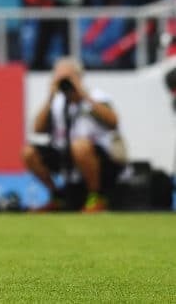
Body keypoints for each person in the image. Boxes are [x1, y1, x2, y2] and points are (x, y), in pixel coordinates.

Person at [24, 57, 124, 212]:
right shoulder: (56, 102)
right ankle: (57, 196)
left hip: (98, 156)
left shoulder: (96, 97)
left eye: (68, 78)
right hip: (64, 153)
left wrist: (83, 95)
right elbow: (37, 129)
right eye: (59, 78)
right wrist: (50, 97)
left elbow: (114, 121)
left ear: (79, 78)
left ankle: (95, 197)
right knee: (28, 152)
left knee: (80, 147)